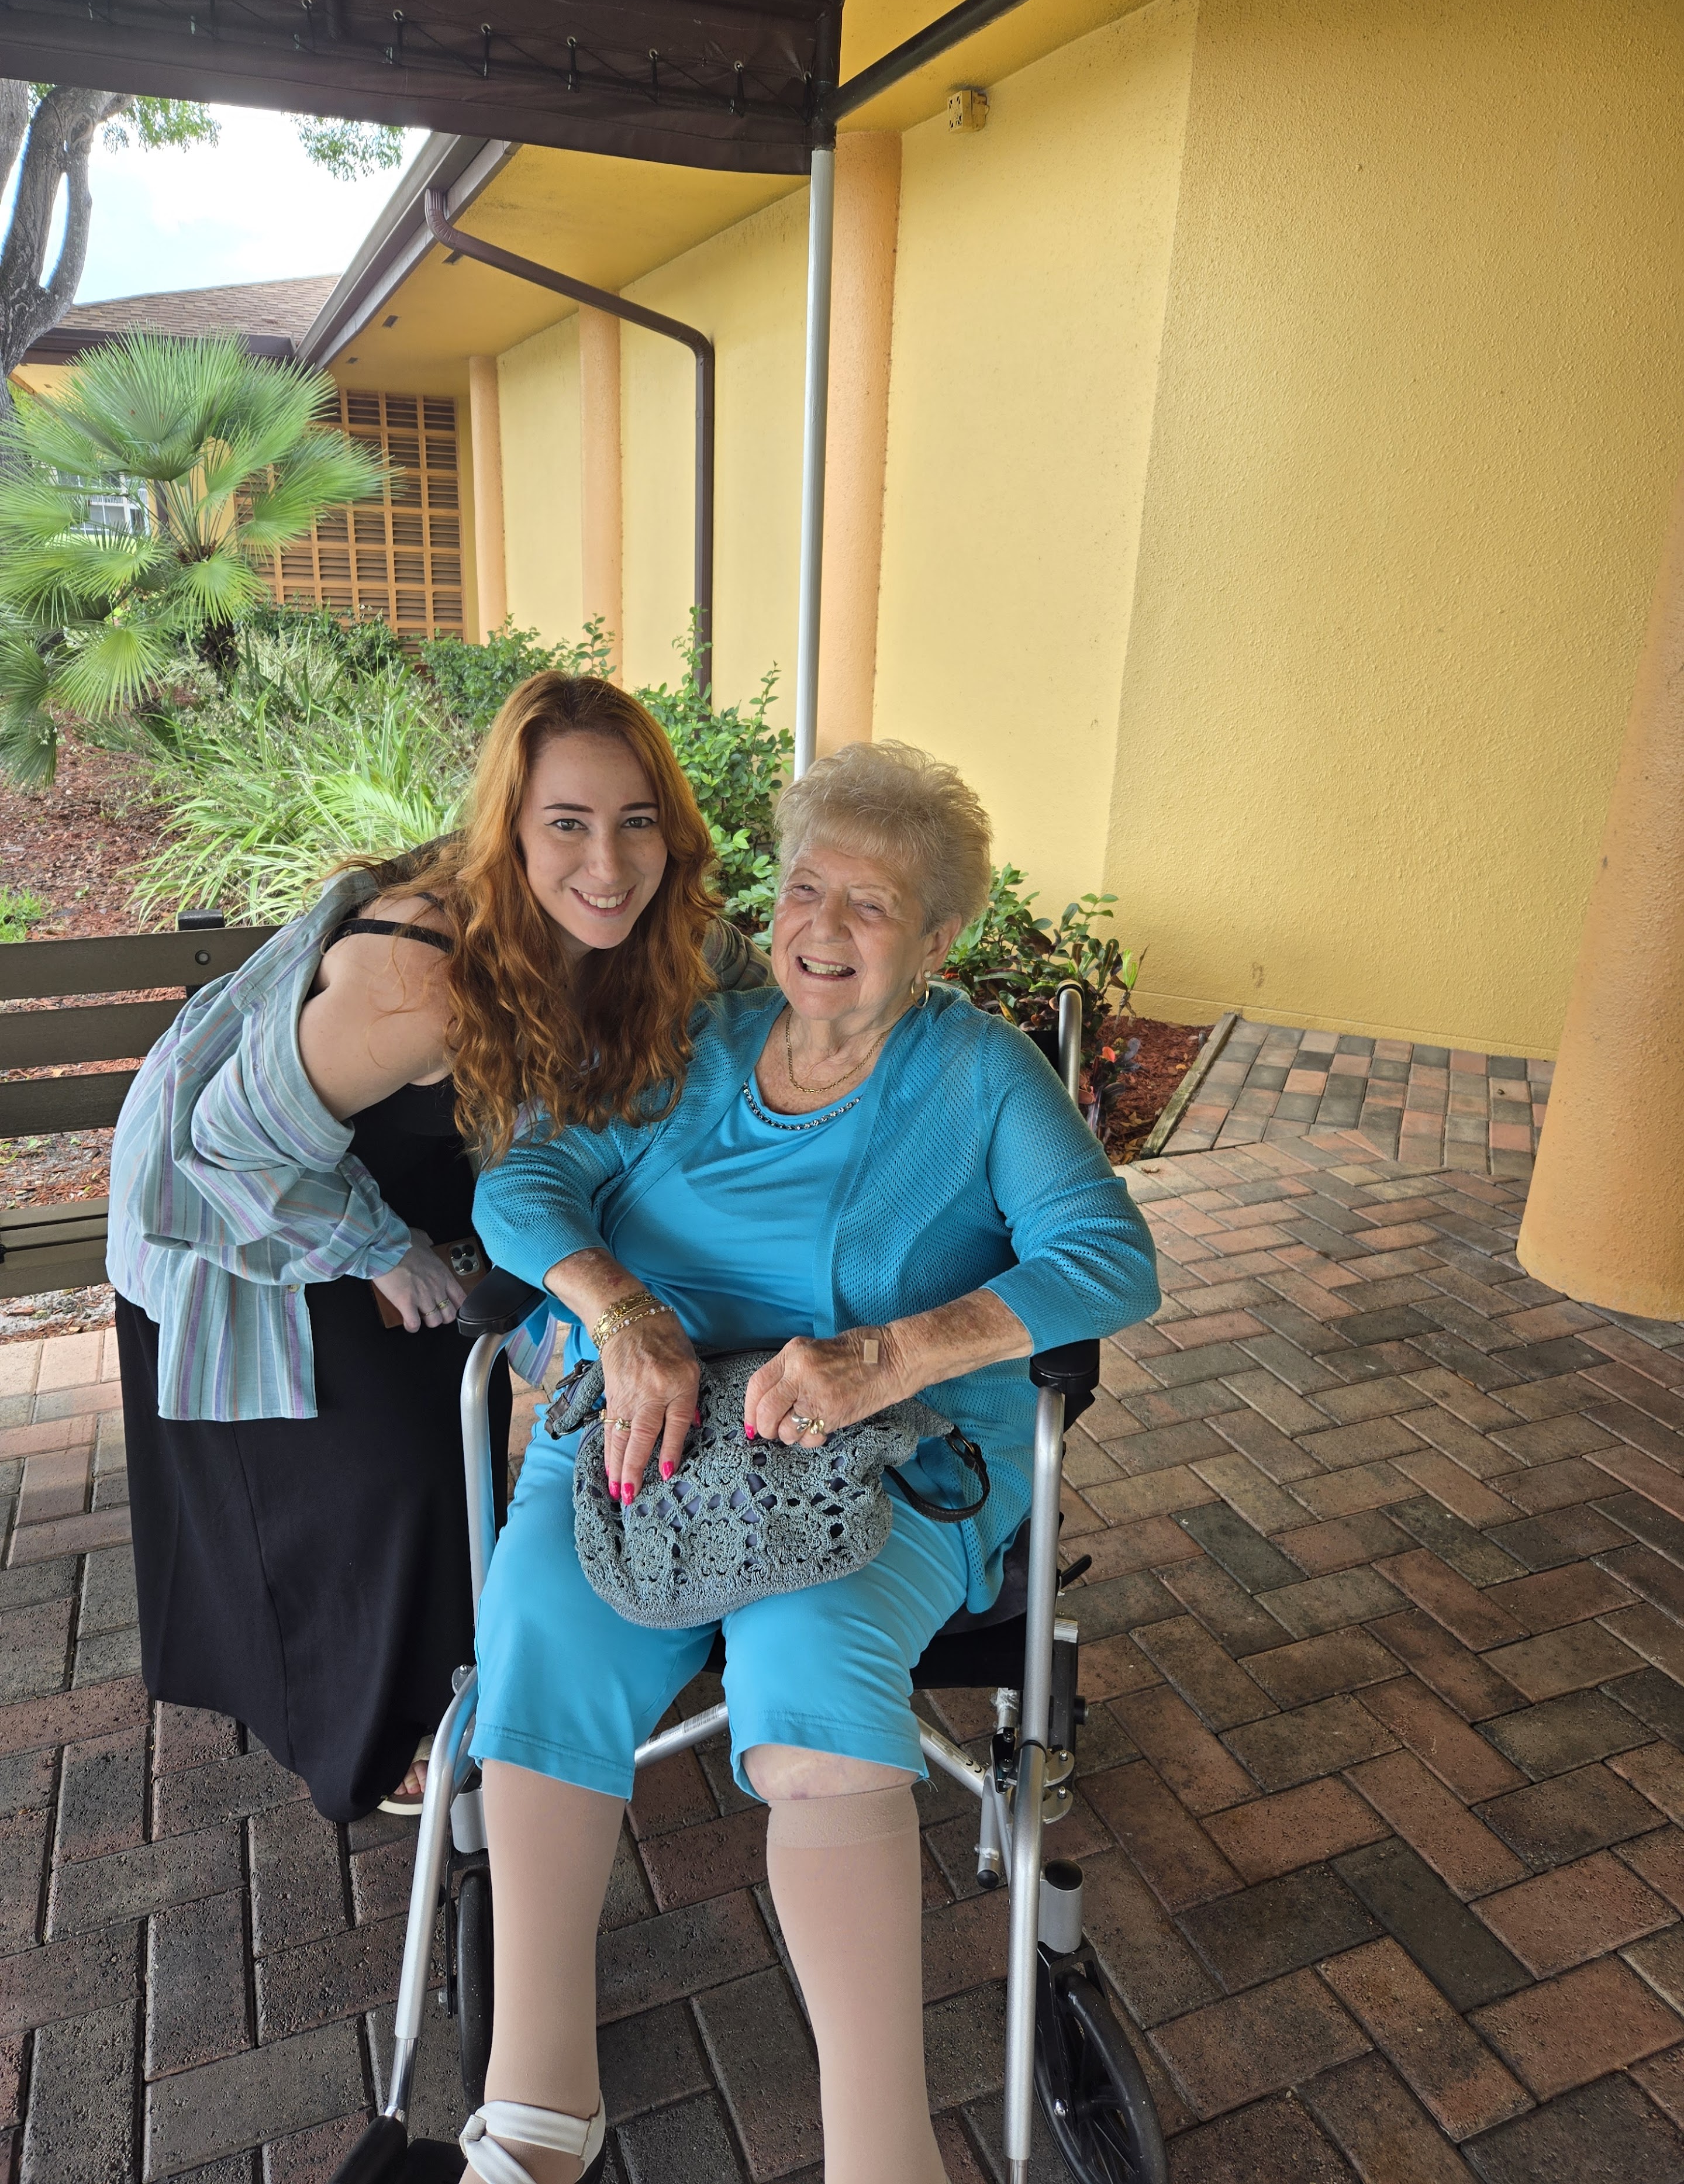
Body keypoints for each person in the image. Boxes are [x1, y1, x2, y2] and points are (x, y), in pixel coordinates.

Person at [465, 741, 1161, 2184]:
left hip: (885, 1450)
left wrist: (885, 1357)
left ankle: (881, 2155)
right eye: (803, 890)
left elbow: (1108, 1258)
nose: (823, 930)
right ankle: (538, 2106)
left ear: (939, 937)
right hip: (658, 1428)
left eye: (871, 904)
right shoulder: (698, 1038)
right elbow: (527, 1182)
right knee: (540, 1625)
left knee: (809, 1667)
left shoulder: (976, 1074)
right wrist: (627, 1310)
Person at [107, 672, 765, 1826]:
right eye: (566, 825)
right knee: (384, 1477)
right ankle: (383, 1732)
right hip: (264, 1212)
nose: (606, 864)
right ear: (508, 831)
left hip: (426, 1203)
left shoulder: (641, 922)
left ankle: (482, 1669)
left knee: (454, 1448)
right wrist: (381, 1249)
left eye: (636, 821)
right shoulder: (416, 981)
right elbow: (229, 1149)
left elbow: (761, 993)